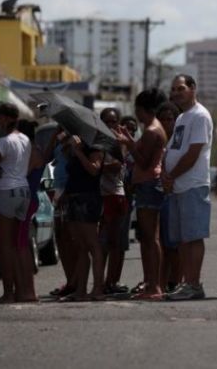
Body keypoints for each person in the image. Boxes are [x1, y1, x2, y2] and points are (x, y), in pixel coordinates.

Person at [162, 74, 213, 301]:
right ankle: (186, 282)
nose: (176, 93)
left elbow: (193, 153)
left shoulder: (200, 116)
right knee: (182, 238)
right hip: (178, 186)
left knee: (193, 237)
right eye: (173, 89)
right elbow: (174, 149)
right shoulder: (182, 117)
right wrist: (166, 173)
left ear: (193, 88)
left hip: (193, 184)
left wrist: (171, 175)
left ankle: (194, 284)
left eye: (180, 88)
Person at [116, 89, 168, 300]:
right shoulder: (154, 129)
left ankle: (153, 286)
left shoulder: (151, 131)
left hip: (148, 185)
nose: (136, 114)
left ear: (144, 109)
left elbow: (144, 161)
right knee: (148, 238)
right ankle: (151, 284)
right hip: (148, 185)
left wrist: (128, 144)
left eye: (137, 110)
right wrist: (130, 141)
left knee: (150, 237)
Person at [0, 102, 33, 304]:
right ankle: (22, 289)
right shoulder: (25, 140)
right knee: (16, 245)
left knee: (4, 247)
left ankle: (8, 292)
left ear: (5, 118)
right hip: (24, 190)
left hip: (6, 191)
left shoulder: (4, 141)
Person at [62, 135, 105, 301]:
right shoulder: (74, 146)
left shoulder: (95, 148)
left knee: (92, 244)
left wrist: (79, 152)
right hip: (73, 197)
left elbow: (94, 170)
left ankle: (98, 288)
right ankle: (81, 289)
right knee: (80, 246)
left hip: (87, 198)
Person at [99, 108, 129, 295]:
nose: (111, 125)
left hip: (115, 195)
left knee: (113, 242)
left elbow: (117, 165)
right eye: (107, 122)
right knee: (101, 242)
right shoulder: (98, 140)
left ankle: (110, 281)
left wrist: (96, 165)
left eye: (114, 121)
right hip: (100, 194)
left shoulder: (119, 142)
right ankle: (101, 281)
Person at [44, 128, 77, 297]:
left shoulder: (76, 139)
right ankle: (70, 279)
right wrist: (54, 137)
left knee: (71, 238)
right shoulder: (60, 139)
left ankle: (76, 281)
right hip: (58, 188)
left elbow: (75, 166)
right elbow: (47, 157)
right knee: (60, 236)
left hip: (70, 190)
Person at [16, 119, 45, 302]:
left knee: (22, 246)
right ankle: (25, 289)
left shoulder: (32, 151)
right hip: (27, 199)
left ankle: (29, 291)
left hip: (26, 200)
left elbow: (20, 173)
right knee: (20, 244)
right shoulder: (35, 150)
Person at [156, 101, 182, 292]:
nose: (166, 122)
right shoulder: (155, 138)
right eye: (162, 119)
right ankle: (160, 282)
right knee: (162, 244)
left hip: (174, 193)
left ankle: (175, 281)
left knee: (174, 244)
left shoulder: (179, 141)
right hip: (155, 194)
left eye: (170, 119)